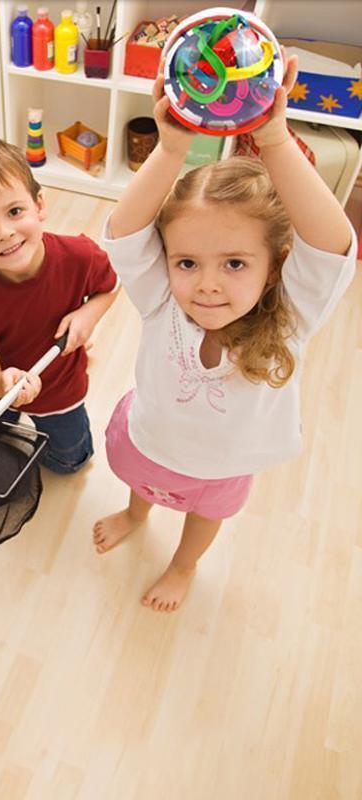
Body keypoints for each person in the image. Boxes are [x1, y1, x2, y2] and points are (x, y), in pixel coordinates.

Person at [92, 58, 357, 612]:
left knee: (202, 521)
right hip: (148, 445)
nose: (207, 286)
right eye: (187, 262)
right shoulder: (160, 296)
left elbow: (332, 244)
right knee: (141, 493)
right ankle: (134, 516)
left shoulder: (291, 314)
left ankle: (182, 567)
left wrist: (275, 140)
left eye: (235, 263)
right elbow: (124, 232)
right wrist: (169, 150)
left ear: (278, 263)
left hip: (222, 472)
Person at [0, 139, 119, 473]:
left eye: (14, 212)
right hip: (1, 386)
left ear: (39, 205)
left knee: (68, 464)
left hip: (61, 389)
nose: (4, 233)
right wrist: (5, 383)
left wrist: (88, 315)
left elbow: (110, 287)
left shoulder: (81, 255)